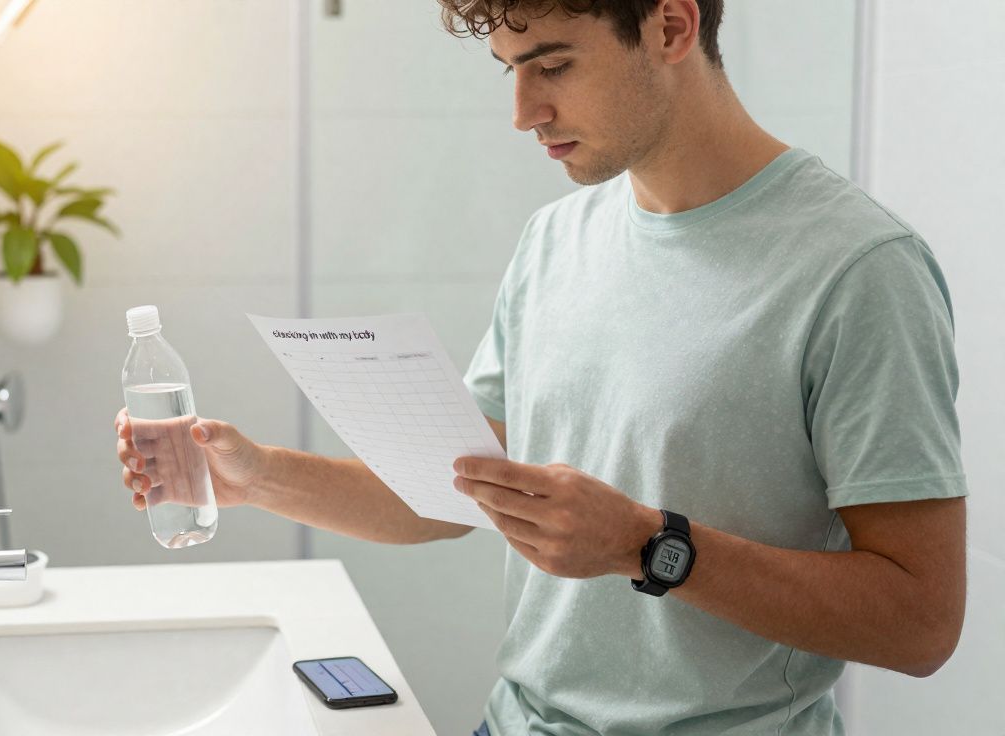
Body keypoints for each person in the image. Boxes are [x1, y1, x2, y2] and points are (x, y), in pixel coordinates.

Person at [115, 1, 969, 733]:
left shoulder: (859, 270)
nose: (525, 112)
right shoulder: (556, 239)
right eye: (511, 70)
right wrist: (257, 475)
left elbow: (921, 623)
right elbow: (463, 490)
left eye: (553, 65)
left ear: (672, 27)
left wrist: (645, 544)